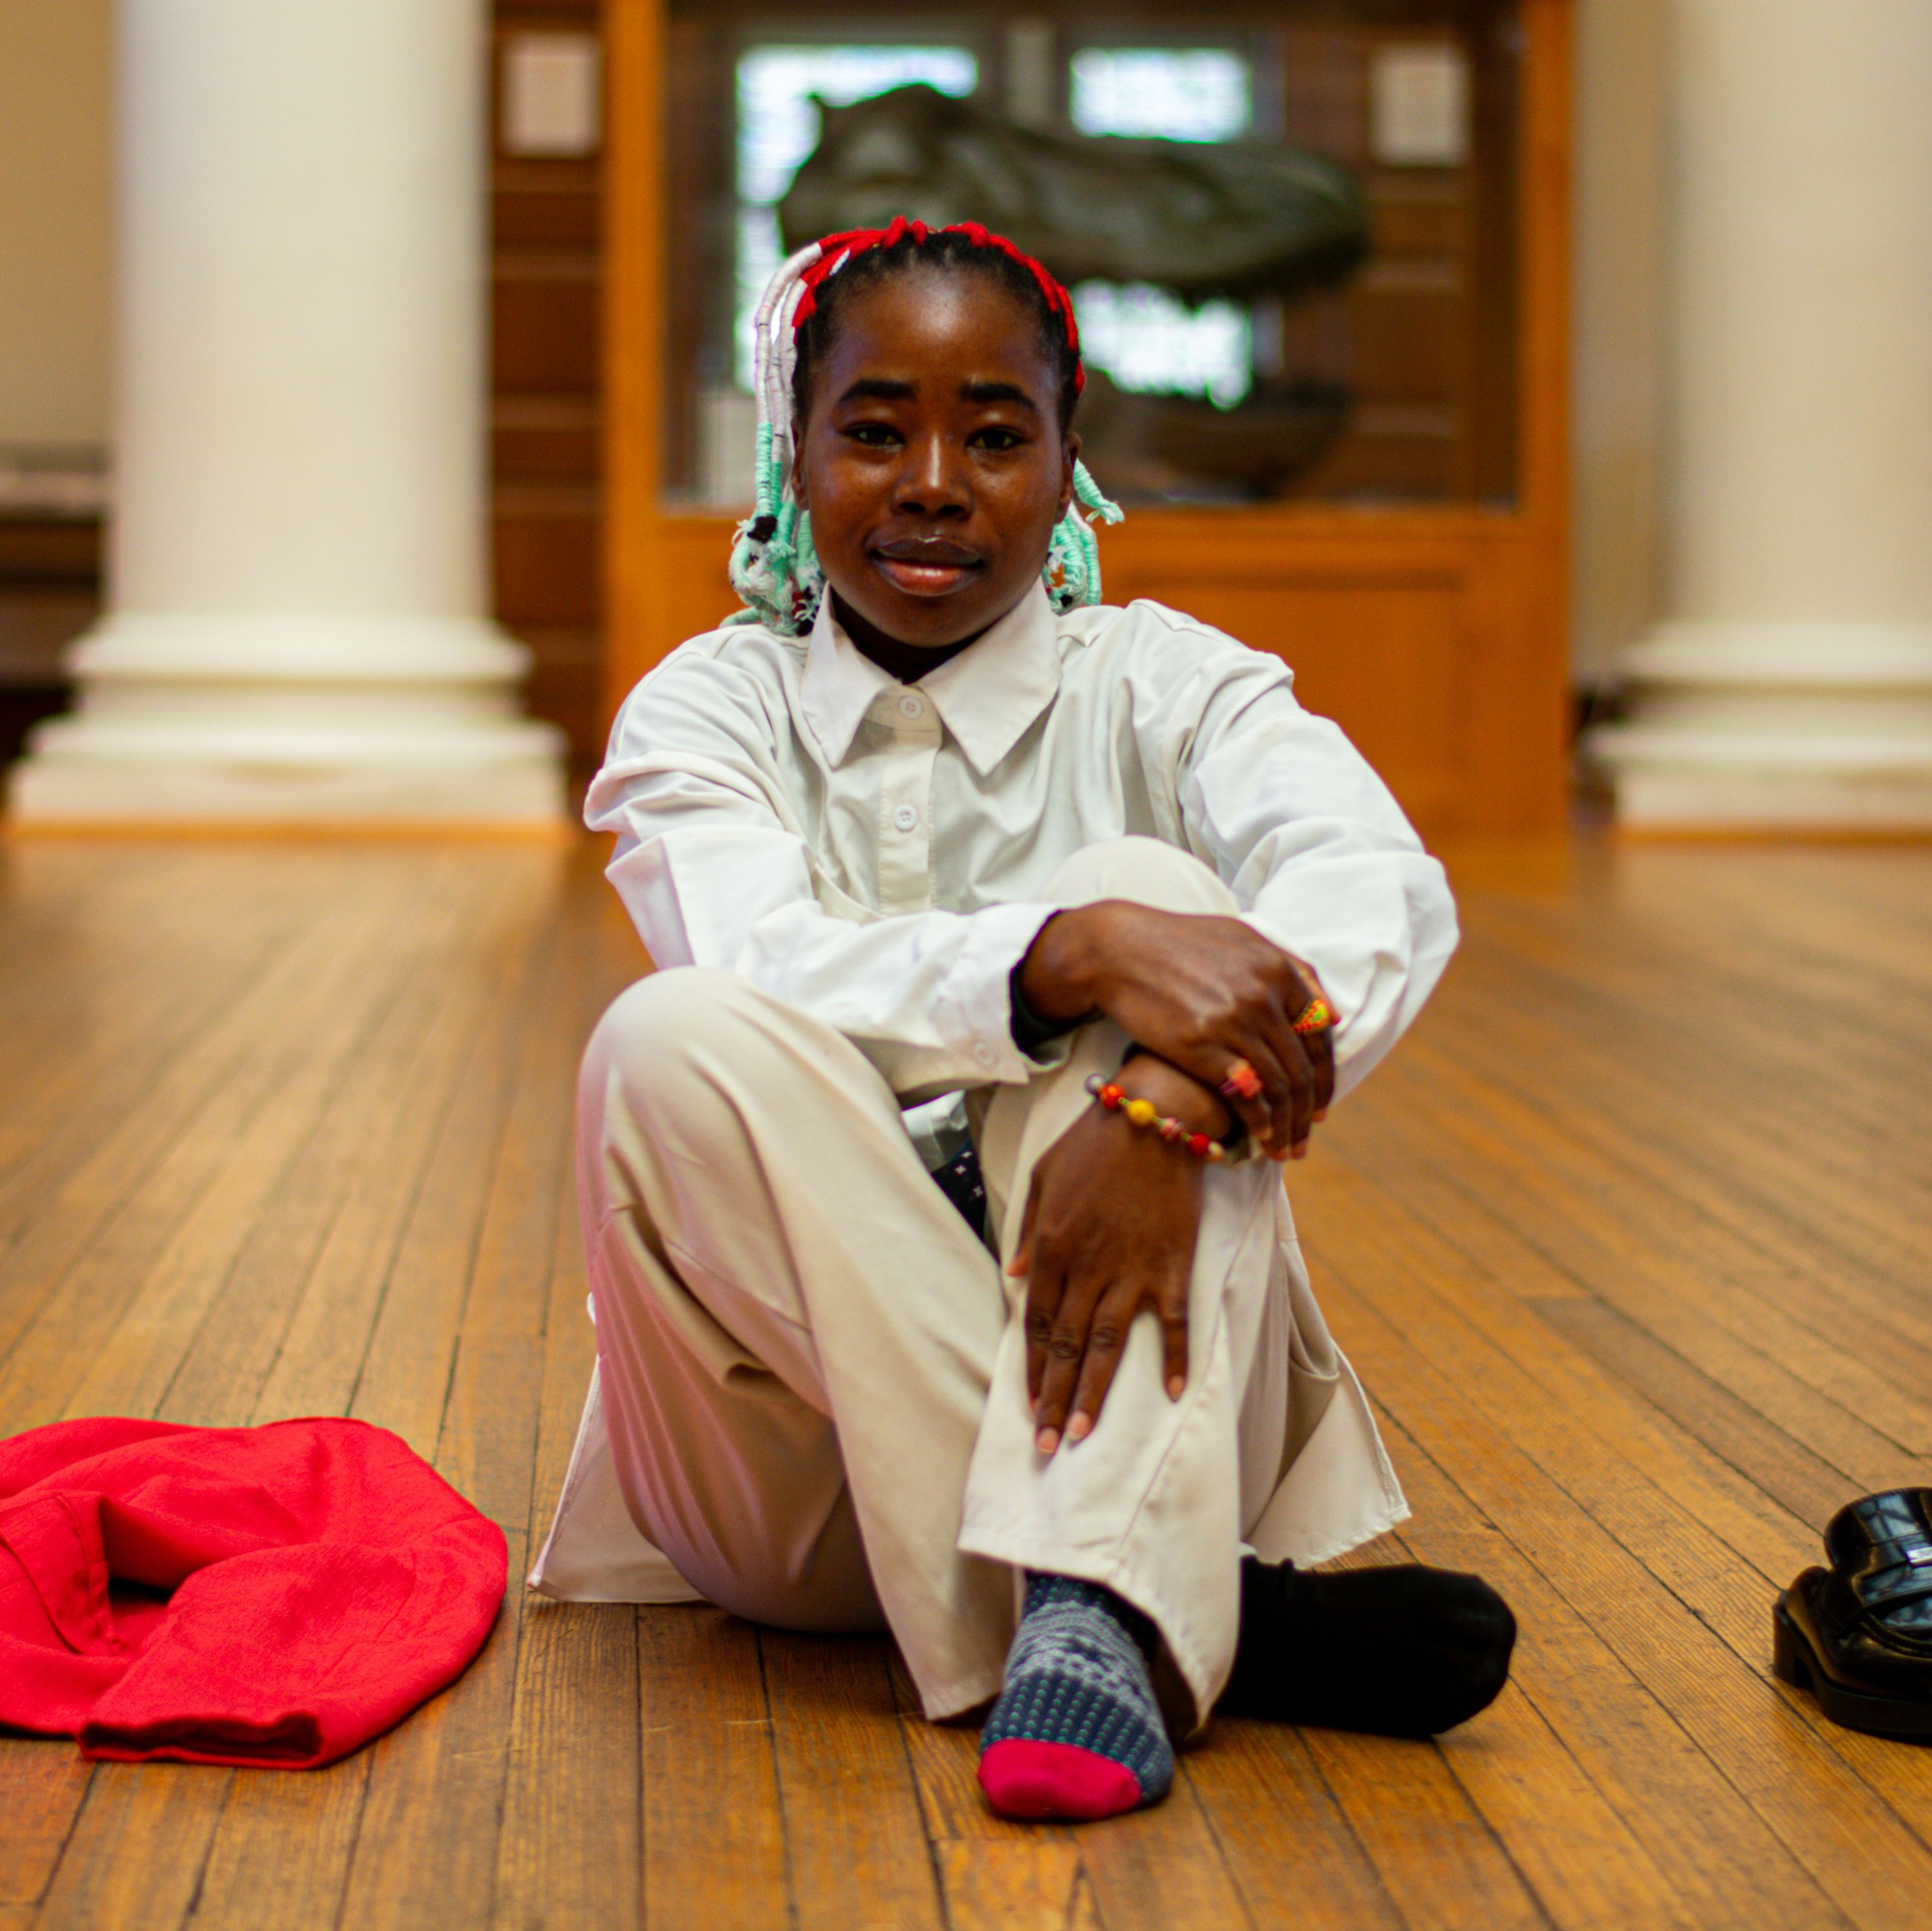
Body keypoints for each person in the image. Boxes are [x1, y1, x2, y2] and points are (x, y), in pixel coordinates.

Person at [530, 218, 1515, 1822]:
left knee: (1154, 881)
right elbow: (761, 953)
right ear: (791, 454)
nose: (932, 480)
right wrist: (1067, 957)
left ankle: (1095, 1603)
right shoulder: (705, 707)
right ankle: (1182, 1597)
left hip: (1155, 1386)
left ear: (1071, 470)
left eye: (995, 434)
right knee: (663, 1038)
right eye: (872, 430)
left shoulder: (1167, 683)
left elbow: (1380, 886)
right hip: (795, 1496)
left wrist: (1175, 1103)